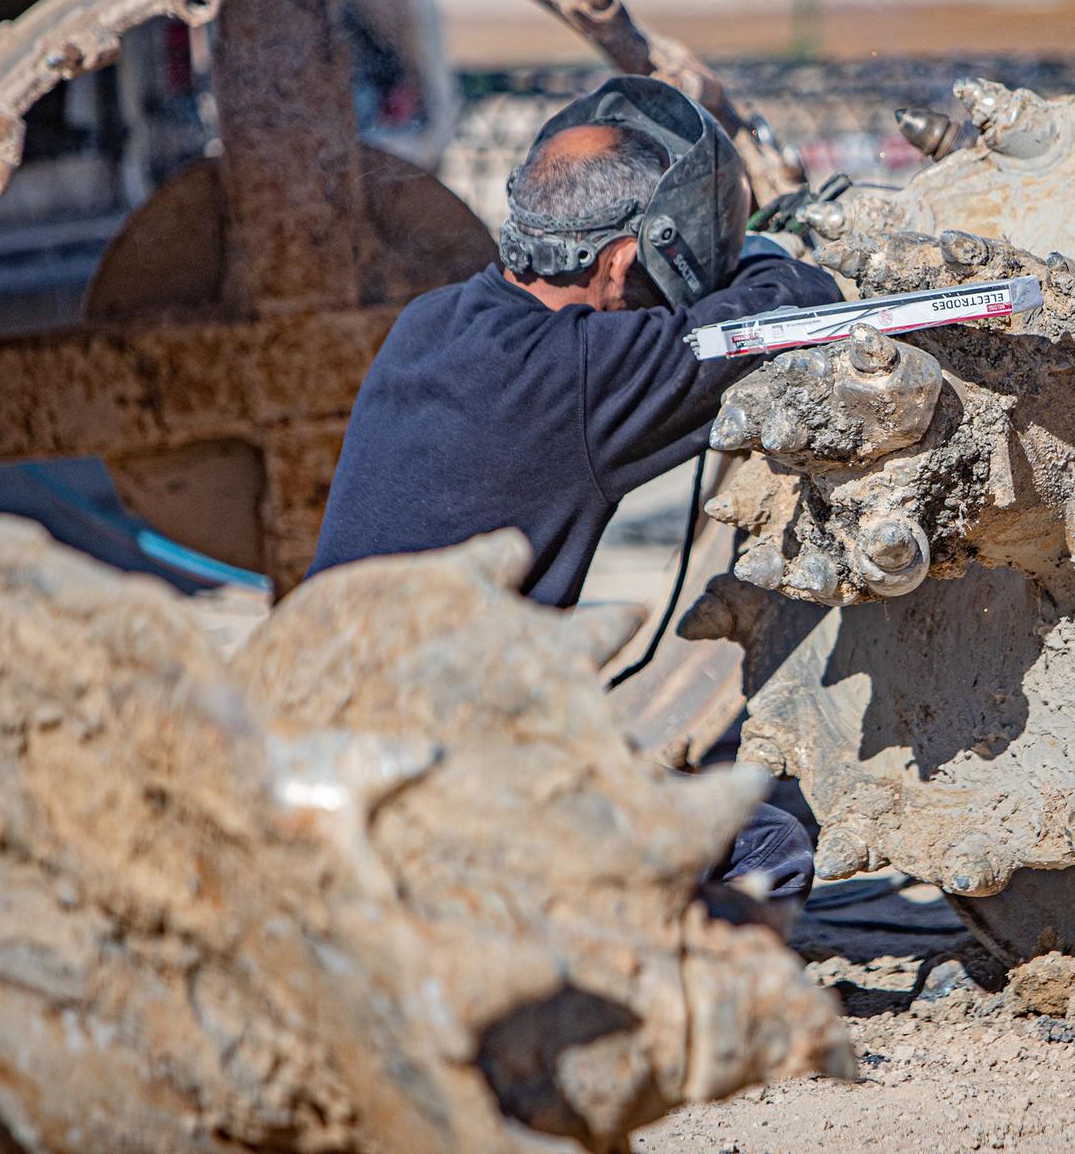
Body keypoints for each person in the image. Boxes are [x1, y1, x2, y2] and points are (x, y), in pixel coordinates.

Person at [309, 76, 840, 931]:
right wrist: (769, 251)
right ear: (623, 261)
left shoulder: (430, 322)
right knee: (762, 840)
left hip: (313, 753)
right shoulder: (585, 377)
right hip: (432, 800)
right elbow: (792, 311)